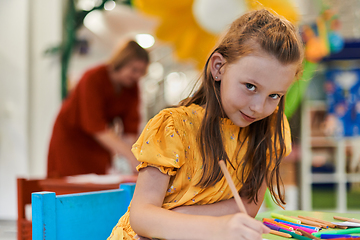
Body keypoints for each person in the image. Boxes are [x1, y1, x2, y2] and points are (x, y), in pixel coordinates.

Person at [108, 9, 304, 240]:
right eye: (250, 86)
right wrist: (215, 227)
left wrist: (175, 218)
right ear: (218, 67)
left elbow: (248, 206)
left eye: (275, 96)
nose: (259, 108)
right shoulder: (174, 127)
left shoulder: (270, 130)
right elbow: (141, 217)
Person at [47, 40, 149, 178]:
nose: (137, 76)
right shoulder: (93, 78)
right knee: (70, 187)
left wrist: (134, 159)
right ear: (121, 62)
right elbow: (95, 125)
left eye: (141, 72)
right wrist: (130, 157)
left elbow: (131, 129)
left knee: (97, 186)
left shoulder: (132, 87)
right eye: (134, 69)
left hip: (98, 146)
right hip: (71, 141)